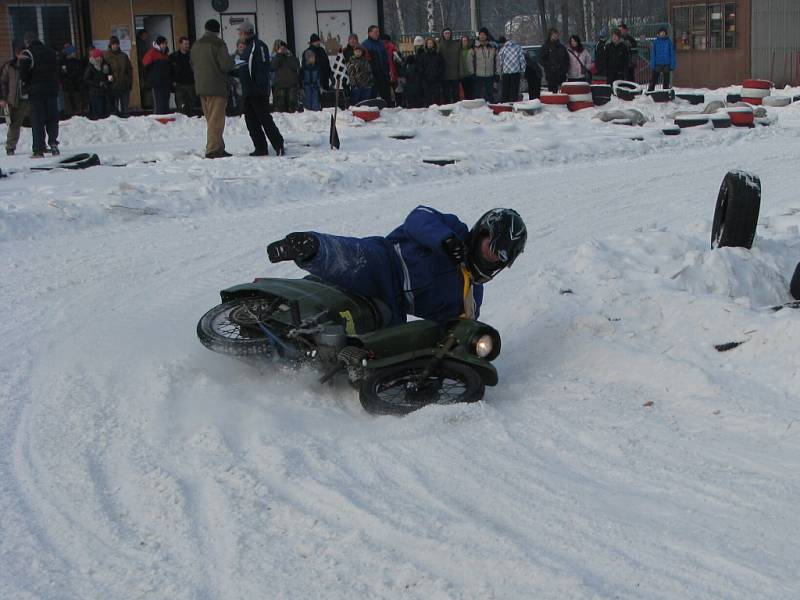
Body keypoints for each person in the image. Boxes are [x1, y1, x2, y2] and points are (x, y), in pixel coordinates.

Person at [266, 206, 527, 327]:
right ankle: (309, 246)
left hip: (393, 307)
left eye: (502, 255)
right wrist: (443, 240)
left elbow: (458, 331)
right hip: (387, 263)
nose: (494, 256)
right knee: (358, 259)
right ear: (482, 232)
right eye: (493, 246)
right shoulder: (452, 231)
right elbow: (418, 217)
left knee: (387, 345)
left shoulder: (470, 297)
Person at [236, 22, 285, 156]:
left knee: (264, 118)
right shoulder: (247, 48)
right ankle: (260, 147)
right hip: (248, 90)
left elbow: (263, 68)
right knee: (251, 120)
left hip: (257, 91)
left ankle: (278, 144)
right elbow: (245, 67)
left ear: (246, 33)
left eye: (240, 32)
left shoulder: (258, 46)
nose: (239, 35)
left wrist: (260, 86)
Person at [191, 18, 235, 158]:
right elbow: (226, 65)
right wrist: (233, 61)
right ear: (217, 30)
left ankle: (219, 147)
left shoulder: (196, 44)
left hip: (201, 86)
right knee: (216, 120)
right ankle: (212, 150)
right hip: (216, 86)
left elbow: (192, 63)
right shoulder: (218, 44)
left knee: (211, 119)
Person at [18, 31, 60, 157]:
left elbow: (23, 75)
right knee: (52, 119)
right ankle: (53, 144)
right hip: (52, 91)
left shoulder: (27, 54)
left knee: (37, 120)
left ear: (27, 42)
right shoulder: (51, 52)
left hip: (36, 93)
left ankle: (38, 149)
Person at [1, 46, 29, 155]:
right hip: (9, 99)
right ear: (17, 54)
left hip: (24, 99)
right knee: (9, 121)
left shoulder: (29, 65)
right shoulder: (9, 66)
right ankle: (10, 145)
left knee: (16, 123)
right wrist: (2, 98)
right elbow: (2, 82)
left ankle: (10, 147)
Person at [104, 35, 132, 116]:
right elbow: (104, 71)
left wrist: (129, 81)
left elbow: (129, 69)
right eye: (113, 44)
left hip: (124, 85)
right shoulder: (106, 56)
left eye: (116, 44)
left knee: (125, 109)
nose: (115, 46)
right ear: (110, 45)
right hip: (113, 86)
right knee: (114, 109)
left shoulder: (124, 56)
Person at [142, 36, 171, 114]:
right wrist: (148, 81)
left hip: (165, 83)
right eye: (163, 44)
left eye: (165, 44)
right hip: (156, 84)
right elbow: (145, 68)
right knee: (158, 105)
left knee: (165, 104)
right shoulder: (151, 53)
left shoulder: (165, 54)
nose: (164, 45)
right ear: (158, 44)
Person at [362, 25, 390, 102]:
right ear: (369, 33)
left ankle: (388, 110)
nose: (378, 34)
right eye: (375, 32)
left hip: (383, 74)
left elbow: (386, 58)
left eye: (378, 32)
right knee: (372, 96)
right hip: (372, 75)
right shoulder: (365, 45)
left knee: (386, 95)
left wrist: (387, 70)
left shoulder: (381, 43)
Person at [270, 40, 300, 113]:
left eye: (284, 48)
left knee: (292, 107)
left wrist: (289, 56)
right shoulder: (276, 57)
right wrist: (279, 54)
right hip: (280, 86)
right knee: (280, 108)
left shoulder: (291, 56)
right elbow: (273, 66)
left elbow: (296, 66)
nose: (283, 50)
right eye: (281, 48)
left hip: (291, 85)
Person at [170, 36, 196, 115]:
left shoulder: (192, 55)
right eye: (185, 44)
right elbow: (170, 70)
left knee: (191, 104)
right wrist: (172, 81)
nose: (187, 45)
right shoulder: (173, 56)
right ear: (180, 44)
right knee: (180, 105)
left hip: (191, 83)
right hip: (179, 84)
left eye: (188, 43)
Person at [84, 48, 111, 119]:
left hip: (104, 91)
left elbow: (109, 75)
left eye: (101, 56)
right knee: (97, 112)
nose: (100, 58)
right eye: (98, 57)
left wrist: (108, 81)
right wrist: (97, 84)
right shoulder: (90, 67)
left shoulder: (105, 65)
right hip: (94, 93)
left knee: (105, 111)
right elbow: (86, 79)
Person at [497, 36, 526, 102]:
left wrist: (500, 73)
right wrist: (523, 71)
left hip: (506, 73)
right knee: (514, 91)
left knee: (505, 91)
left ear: (502, 43)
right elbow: (522, 60)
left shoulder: (503, 49)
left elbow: (500, 62)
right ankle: (514, 104)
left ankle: (505, 105)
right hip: (516, 73)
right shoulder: (518, 47)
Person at [471, 28, 497, 102]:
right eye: (480, 34)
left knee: (490, 95)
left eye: (484, 35)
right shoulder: (474, 47)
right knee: (477, 96)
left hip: (490, 75)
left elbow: (497, 61)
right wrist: (472, 73)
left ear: (487, 36)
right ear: (478, 36)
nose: (482, 36)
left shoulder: (493, 47)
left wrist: (497, 73)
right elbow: (470, 61)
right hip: (478, 75)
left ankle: (491, 110)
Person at [540, 29, 568, 93]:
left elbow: (566, 59)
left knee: (563, 91)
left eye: (556, 35)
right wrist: (548, 66)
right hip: (551, 73)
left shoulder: (562, 47)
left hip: (561, 73)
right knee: (552, 92)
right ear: (550, 36)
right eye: (553, 35)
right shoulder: (545, 47)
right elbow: (541, 59)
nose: (555, 36)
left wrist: (565, 69)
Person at [648, 26, 676, 91]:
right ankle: (650, 91)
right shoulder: (655, 42)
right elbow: (653, 54)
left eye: (664, 32)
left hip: (667, 63)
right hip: (658, 63)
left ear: (665, 33)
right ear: (658, 33)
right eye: (661, 32)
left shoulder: (669, 42)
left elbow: (672, 53)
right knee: (654, 78)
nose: (662, 34)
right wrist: (652, 64)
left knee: (666, 80)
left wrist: (672, 64)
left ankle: (666, 92)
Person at [438, 28, 461, 104]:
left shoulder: (456, 44)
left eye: (448, 33)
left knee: (456, 93)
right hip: (444, 73)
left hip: (455, 73)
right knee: (446, 93)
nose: (447, 35)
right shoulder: (439, 45)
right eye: (445, 33)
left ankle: (457, 107)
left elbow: (460, 58)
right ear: (443, 34)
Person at [419, 37, 444, 107]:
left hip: (436, 78)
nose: (430, 44)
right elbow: (421, 66)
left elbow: (441, 65)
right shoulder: (423, 55)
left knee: (437, 97)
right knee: (428, 97)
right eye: (428, 43)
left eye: (431, 43)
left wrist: (438, 74)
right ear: (426, 44)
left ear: (434, 44)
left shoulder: (438, 54)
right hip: (426, 79)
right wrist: (424, 75)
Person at [60, 44, 84, 117]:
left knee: (77, 100)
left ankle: (78, 112)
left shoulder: (77, 61)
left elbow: (80, 72)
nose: (75, 53)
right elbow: (63, 74)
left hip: (77, 86)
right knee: (70, 102)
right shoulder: (63, 62)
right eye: (73, 52)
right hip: (68, 86)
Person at [401, 38, 424, 108]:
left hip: (412, 85)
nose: (418, 46)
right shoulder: (416, 59)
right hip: (417, 84)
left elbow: (405, 74)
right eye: (417, 45)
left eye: (419, 45)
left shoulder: (408, 66)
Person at [460, 35, 475, 100]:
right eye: (463, 41)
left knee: (471, 92)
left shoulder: (472, 50)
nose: (464, 42)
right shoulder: (459, 51)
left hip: (470, 74)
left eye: (466, 40)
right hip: (462, 74)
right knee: (465, 92)